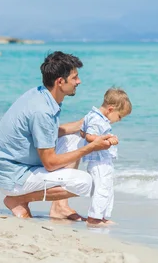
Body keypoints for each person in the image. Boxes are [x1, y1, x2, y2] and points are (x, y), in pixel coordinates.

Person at [0, 51, 117, 219]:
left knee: (77, 137)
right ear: (60, 82)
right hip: (12, 175)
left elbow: (47, 133)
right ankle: (18, 199)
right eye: (74, 78)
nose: (79, 81)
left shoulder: (42, 94)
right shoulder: (42, 110)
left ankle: (60, 208)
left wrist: (87, 123)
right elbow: (49, 163)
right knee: (85, 183)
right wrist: (92, 147)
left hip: (14, 165)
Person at [55, 88, 132, 226]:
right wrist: (108, 139)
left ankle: (101, 216)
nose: (119, 120)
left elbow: (83, 132)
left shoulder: (97, 117)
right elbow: (89, 136)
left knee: (107, 188)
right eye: (119, 116)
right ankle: (94, 218)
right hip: (98, 161)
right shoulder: (96, 119)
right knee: (101, 188)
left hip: (103, 159)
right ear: (110, 109)